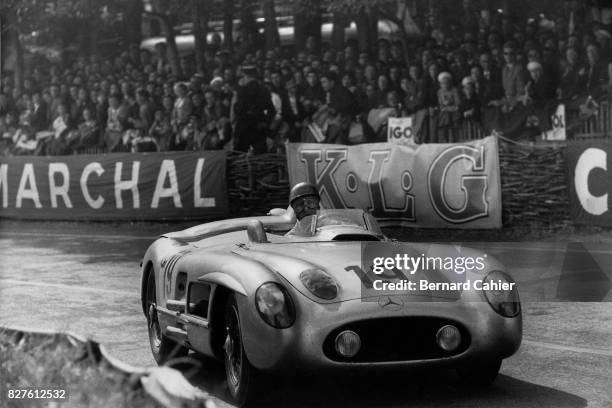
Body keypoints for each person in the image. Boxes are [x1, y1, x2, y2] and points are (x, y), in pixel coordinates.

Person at [232, 64, 275, 153]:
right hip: (258, 126)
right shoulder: (263, 89)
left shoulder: (240, 90)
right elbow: (272, 110)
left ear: (244, 74)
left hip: (243, 127)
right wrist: (265, 123)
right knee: (260, 156)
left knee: (238, 155)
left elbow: (236, 109)